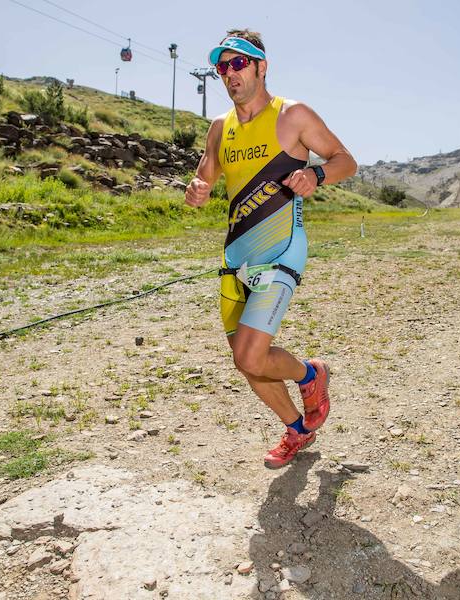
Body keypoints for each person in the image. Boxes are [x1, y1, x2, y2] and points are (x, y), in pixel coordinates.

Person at [185, 29, 357, 469]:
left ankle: (310, 374)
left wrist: (317, 176)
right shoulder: (220, 127)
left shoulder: (293, 116)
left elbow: (344, 160)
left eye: (238, 63)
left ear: (262, 66)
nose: (229, 73)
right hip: (236, 255)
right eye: (222, 66)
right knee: (247, 363)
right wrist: (198, 187)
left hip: (281, 248)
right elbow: (207, 170)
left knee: (250, 354)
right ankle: (298, 429)